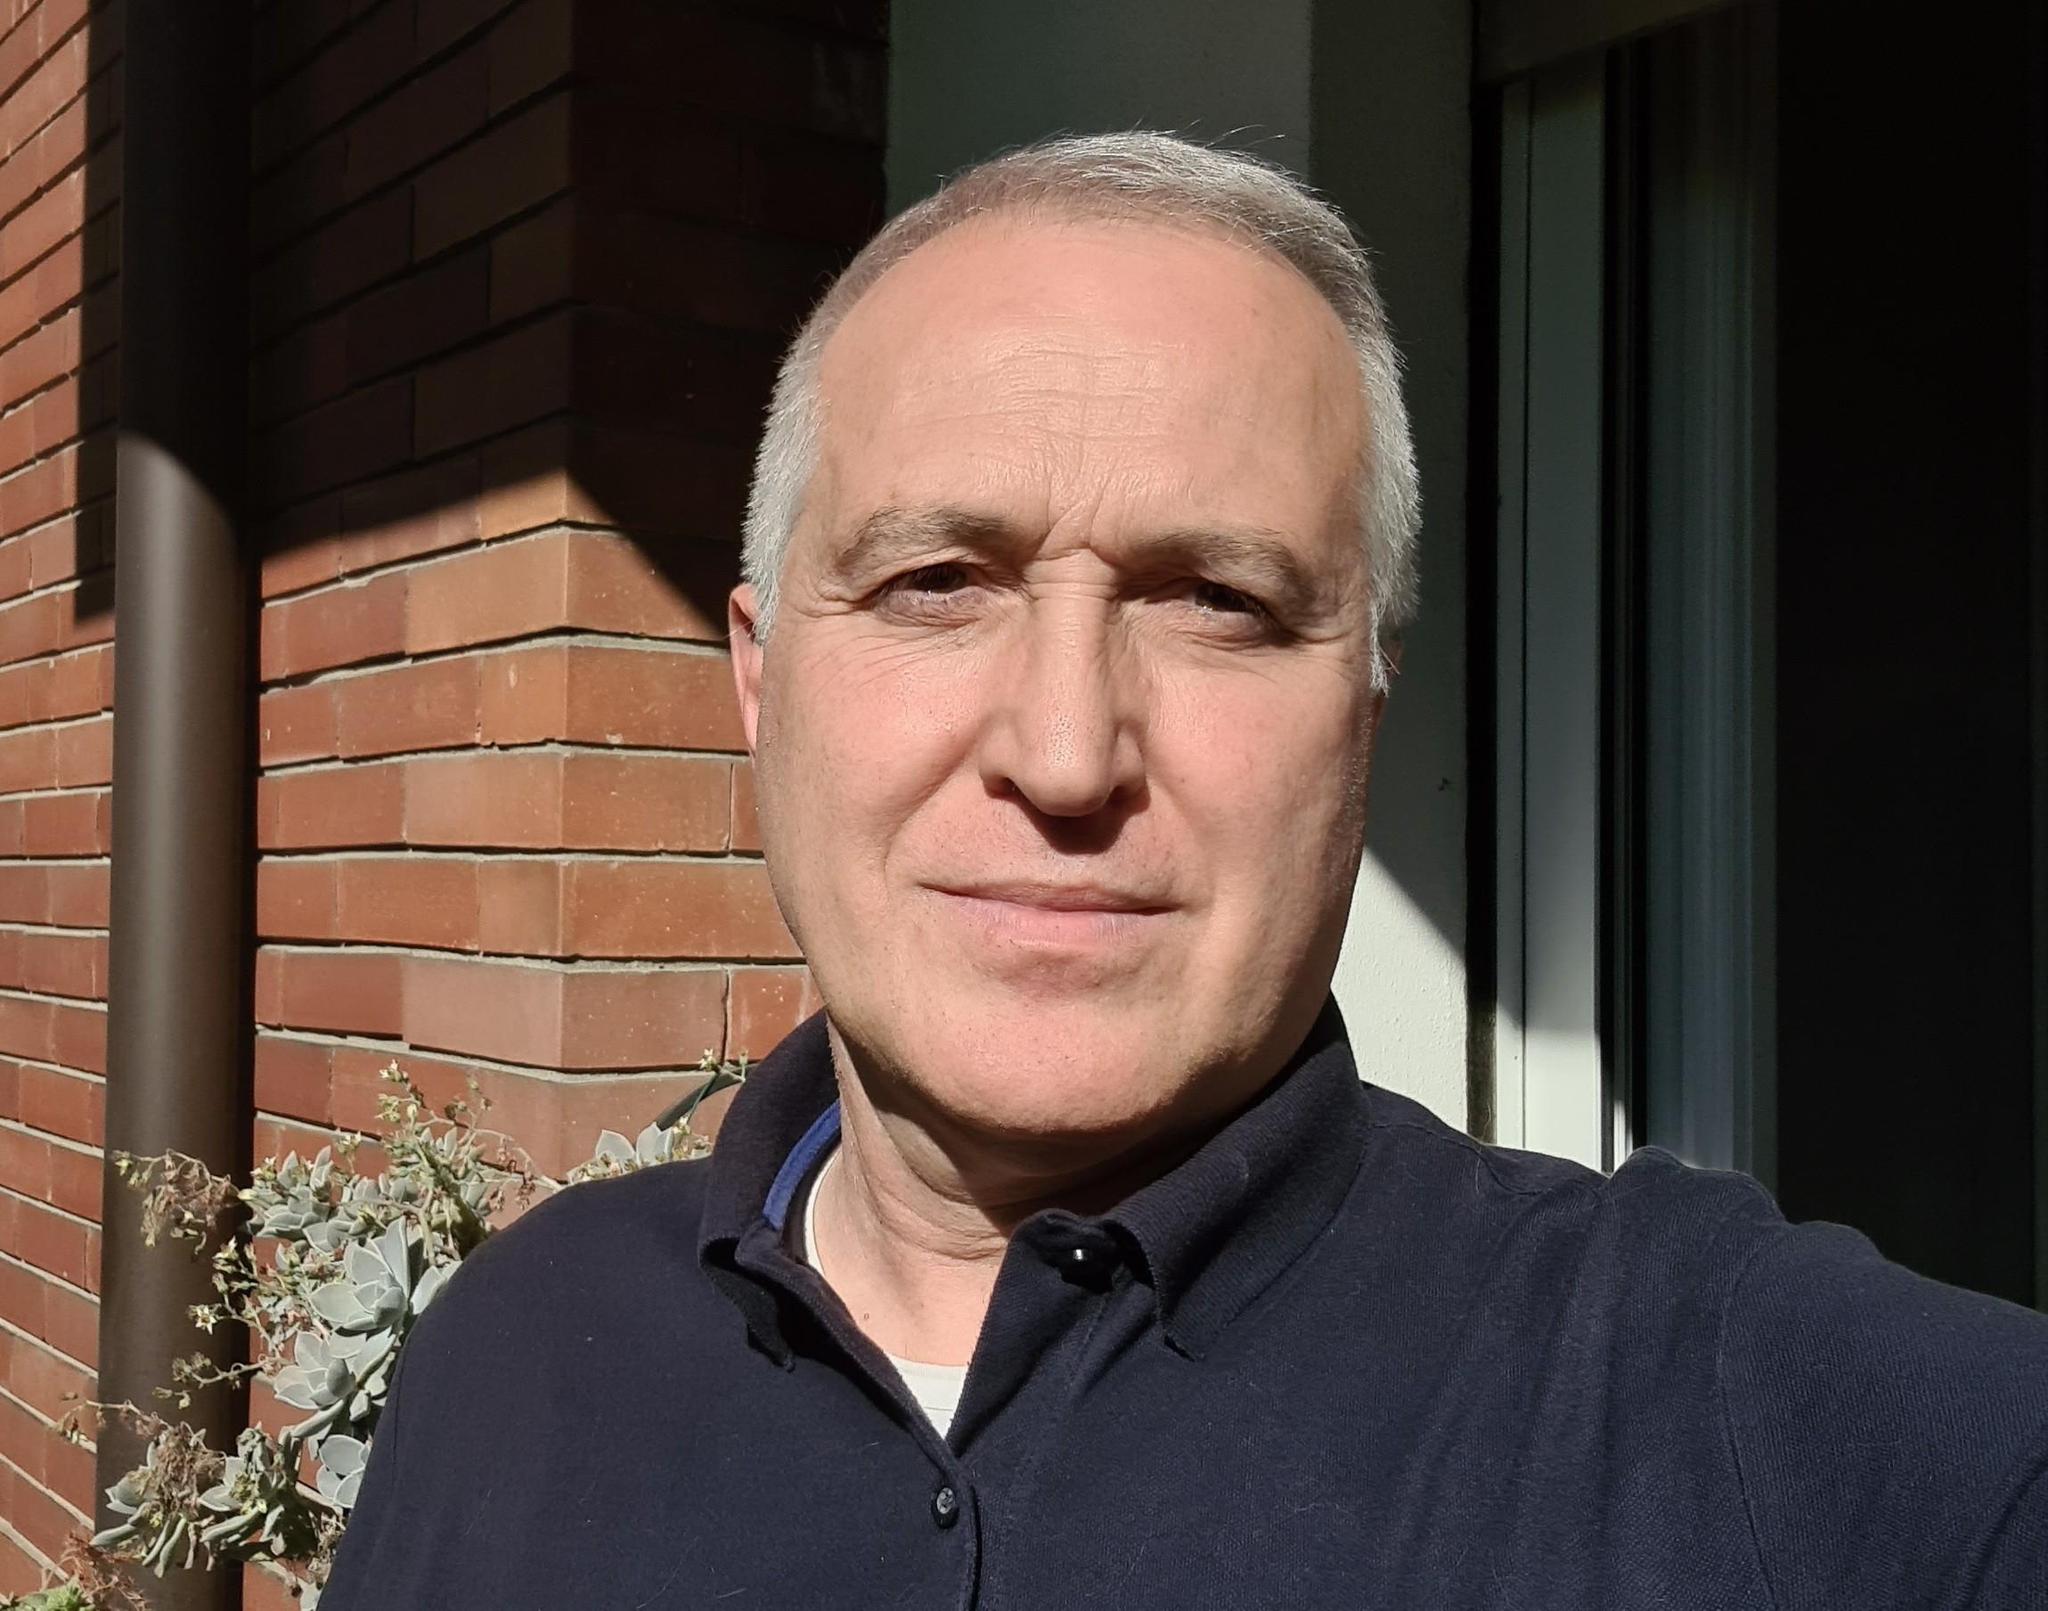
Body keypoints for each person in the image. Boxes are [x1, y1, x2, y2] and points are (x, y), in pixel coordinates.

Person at [320, 132, 2048, 1609]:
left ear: (1364, 717)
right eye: (937, 582)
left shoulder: (1733, 1418)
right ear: (762, 685)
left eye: (1220, 602)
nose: (1068, 755)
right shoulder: (514, 1359)